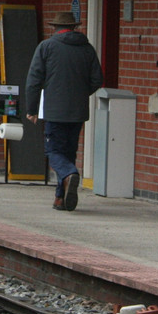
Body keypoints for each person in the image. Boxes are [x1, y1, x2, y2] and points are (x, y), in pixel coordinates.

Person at [24, 12, 104, 212]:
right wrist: (80, 95)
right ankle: (60, 197)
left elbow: (34, 80)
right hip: (77, 112)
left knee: (53, 151)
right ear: (74, 27)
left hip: (54, 110)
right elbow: (97, 79)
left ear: (55, 28)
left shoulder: (47, 47)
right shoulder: (87, 49)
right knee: (68, 151)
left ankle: (69, 174)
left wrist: (31, 109)